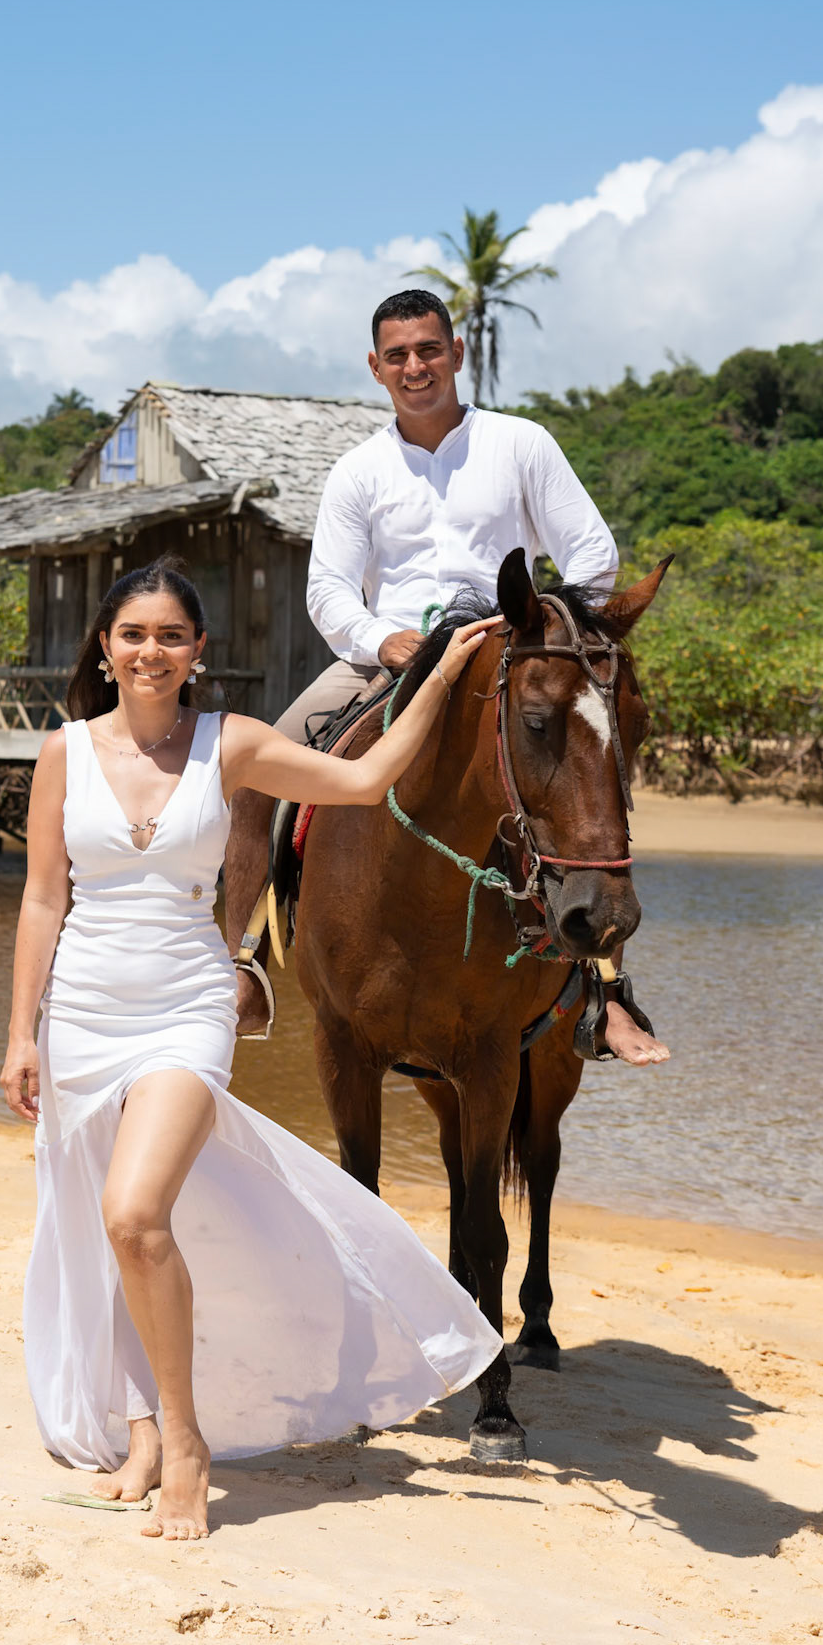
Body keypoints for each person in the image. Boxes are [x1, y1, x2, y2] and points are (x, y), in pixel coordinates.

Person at [0, 558, 504, 1542]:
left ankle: (184, 1444)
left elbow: (362, 780)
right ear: (105, 646)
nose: (151, 651)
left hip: (188, 1008)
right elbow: (41, 898)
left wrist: (440, 674)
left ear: (198, 653)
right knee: (105, 1229)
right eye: (133, 633)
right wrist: (21, 1030)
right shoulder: (64, 750)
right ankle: (140, 1431)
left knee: (137, 1214)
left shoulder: (226, 744)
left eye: (172, 636)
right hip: (83, 1014)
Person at [224, 287, 669, 1067]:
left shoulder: (520, 444)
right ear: (374, 367)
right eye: (396, 355)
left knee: (582, 780)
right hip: (386, 660)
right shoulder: (358, 470)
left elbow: (593, 555)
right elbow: (328, 588)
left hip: (509, 656)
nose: (414, 366)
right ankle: (243, 961)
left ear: (456, 354)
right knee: (260, 763)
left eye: (428, 349)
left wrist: (535, 629)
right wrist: (378, 637)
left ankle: (605, 992)